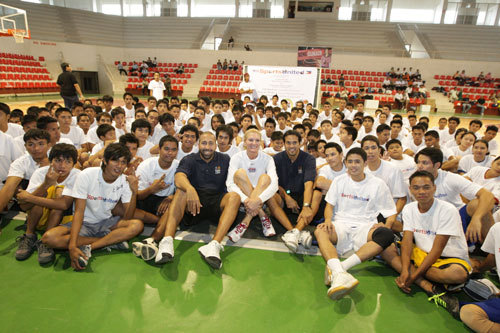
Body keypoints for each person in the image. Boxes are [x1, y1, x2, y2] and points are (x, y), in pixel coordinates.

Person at [41, 143, 144, 270]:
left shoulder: (126, 181)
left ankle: (91, 246)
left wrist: (134, 192)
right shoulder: (87, 175)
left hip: (107, 222)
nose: (119, 166)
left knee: (137, 225)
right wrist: (72, 246)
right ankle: (111, 241)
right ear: (105, 160)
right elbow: (79, 211)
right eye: (115, 160)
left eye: (123, 162)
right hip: (84, 223)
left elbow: (128, 217)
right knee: (49, 238)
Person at [383, 171, 470, 318]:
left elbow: (437, 249)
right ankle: (430, 287)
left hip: (447, 257)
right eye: (416, 188)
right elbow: (407, 241)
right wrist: (405, 270)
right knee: (386, 249)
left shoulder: (448, 210)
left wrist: (413, 275)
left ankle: (419, 277)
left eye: (426, 187)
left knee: (457, 274)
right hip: (421, 254)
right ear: (410, 190)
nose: (421, 192)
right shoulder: (409, 208)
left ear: (434, 188)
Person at [314, 147, 397, 300]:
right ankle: (340, 272)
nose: (353, 165)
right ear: (346, 163)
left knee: (386, 235)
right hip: (341, 224)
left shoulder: (378, 184)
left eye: (357, 162)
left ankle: (340, 269)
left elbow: (391, 213)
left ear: (365, 163)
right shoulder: (339, 181)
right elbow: (330, 206)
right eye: (350, 162)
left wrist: (386, 225)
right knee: (320, 231)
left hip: (365, 226)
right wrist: (327, 220)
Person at [154, 132, 241, 269]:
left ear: (216, 145)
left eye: (211, 143)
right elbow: (179, 178)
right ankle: (167, 243)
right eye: (204, 143)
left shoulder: (225, 159)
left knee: (235, 197)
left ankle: (214, 246)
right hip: (193, 205)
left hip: (216, 201)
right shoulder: (189, 159)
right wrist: (190, 188)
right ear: (198, 144)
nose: (207, 147)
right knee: (181, 191)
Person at [14, 143, 81, 264]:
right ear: (51, 161)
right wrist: (46, 184)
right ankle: (29, 235)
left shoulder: (77, 175)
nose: (62, 166)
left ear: (74, 164)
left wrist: (29, 197)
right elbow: (24, 206)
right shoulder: (40, 173)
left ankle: (45, 241)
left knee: (57, 199)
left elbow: (63, 205)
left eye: (68, 162)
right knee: (42, 197)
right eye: (58, 161)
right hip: (38, 217)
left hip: (64, 220)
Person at [415, 148, 495, 244]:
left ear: (437, 165)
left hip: (457, 217)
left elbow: (488, 195)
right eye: (418, 162)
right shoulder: (413, 181)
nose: (419, 166)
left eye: (424, 163)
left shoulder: (450, 178)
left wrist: (476, 219)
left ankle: (493, 248)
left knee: (477, 204)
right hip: (433, 222)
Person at [225, 129, 279, 242]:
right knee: (240, 173)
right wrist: (247, 200)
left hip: (261, 198)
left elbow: (274, 185)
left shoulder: (268, 159)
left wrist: (258, 200)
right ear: (244, 142)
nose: (254, 143)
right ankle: (263, 215)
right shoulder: (236, 157)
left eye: (257, 140)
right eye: (250, 140)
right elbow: (229, 184)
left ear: (261, 143)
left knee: (265, 178)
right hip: (244, 200)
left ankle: (245, 221)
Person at [131, 135, 179, 261]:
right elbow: (138, 196)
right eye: (166, 149)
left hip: (163, 202)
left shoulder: (179, 166)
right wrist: (152, 189)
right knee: (124, 209)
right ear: (159, 150)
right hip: (145, 199)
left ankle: (151, 240)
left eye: (173, 150)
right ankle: (162, 221)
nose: (170, 153)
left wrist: (171, 196)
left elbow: (183, 190)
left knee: (173, 208)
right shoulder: (146, 165)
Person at [273, 130, 316, 252]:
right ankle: (294, 231)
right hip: (284, 196)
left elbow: (309, 184)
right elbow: (275, 183)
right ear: (284, 144)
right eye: (288, 143)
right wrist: (287, 197)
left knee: (316, 194)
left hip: (302, 196)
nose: (291, 146)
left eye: (294, 143)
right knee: (270, 197)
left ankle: (296, 231)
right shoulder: (276, 159)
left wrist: (306, 206)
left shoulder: (309, 159)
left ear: (300, 143)